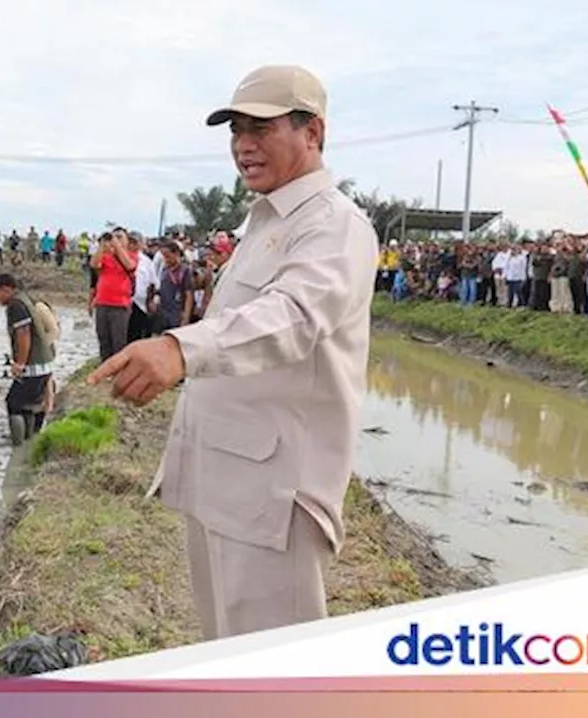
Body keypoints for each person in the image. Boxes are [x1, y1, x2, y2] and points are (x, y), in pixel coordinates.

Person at [88, 65, 377, 640]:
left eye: (262, 129)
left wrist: (179, 348)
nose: (244, 145)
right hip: (223, 479)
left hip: (274, 499)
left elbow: (293, 317)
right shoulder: (263, 224)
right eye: (236, 129)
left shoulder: (335, 227)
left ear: (313, 132)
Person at [0, 274, 55, 445]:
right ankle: (30, 441)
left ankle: (18, 447)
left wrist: (20, 364)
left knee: (14, 404)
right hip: (44, 364)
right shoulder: (24, 299)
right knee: (29, 405)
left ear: (6, 289)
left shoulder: (15, 306)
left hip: (33, 366)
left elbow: (23, 334)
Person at [89, 228, 137, 361]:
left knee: (118, 341)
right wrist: (102, 244)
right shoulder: (106, 256)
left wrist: (116, 244)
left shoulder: (131, 255)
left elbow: (130, 266)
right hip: (102, 303)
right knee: (103, 339)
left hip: (120, 305)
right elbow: (94, 264)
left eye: (120, 237)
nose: (116, 239)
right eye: (114, 237)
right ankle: (105, 368)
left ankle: (118, 370)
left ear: (127, 240)